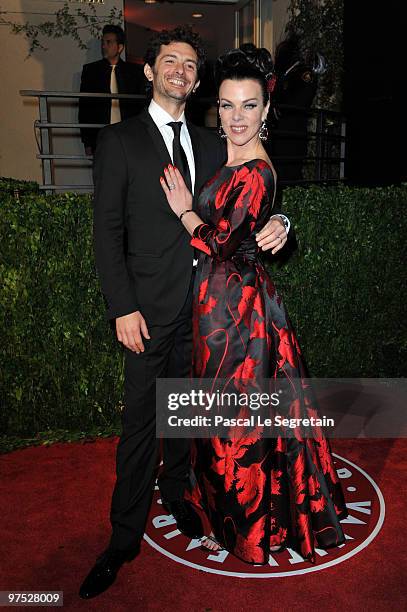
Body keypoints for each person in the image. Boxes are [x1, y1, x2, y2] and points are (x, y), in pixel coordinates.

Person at [79, 27, 289, 599]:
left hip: (208, 314)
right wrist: (121, 306)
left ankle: (176, 494)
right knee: (140, 424)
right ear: (149, 72)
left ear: (198, 81)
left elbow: (257, 187)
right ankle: (124, 536)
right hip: (148, 310)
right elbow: (106, 234)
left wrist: (282, 222)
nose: (180, 71)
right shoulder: (119, 141)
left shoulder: (214, 137)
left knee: (185, 414)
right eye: (169, 61)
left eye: (189, 64)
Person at [160, 43, 347, 564]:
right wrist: (278, 222)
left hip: (238, 313)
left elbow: (221, 241)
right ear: (214, 107)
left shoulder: (257, 171)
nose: (236, 117)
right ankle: (220, 506)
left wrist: (183, 213)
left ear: (266, 111)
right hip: (213, 303)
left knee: (237, 418)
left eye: (247, 106)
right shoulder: (223, 152)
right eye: (226, 105)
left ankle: (248, 522)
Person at [78, 24, 144, 156]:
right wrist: (87, 142)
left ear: (120, 47)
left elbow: (140, 106)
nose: (104, 46)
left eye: (108, 42)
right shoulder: (91, 71)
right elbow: (85, 107)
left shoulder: (134, 72)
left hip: (128, 133)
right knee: (103, 172)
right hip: (100, 133)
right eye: (103, 42)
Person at [269, 34, 325, 186]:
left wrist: (281, 107)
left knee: (291, 173)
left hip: (293, 133)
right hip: (279, 134)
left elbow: (301, 100)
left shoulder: (303, 75)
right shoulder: (282, 75)